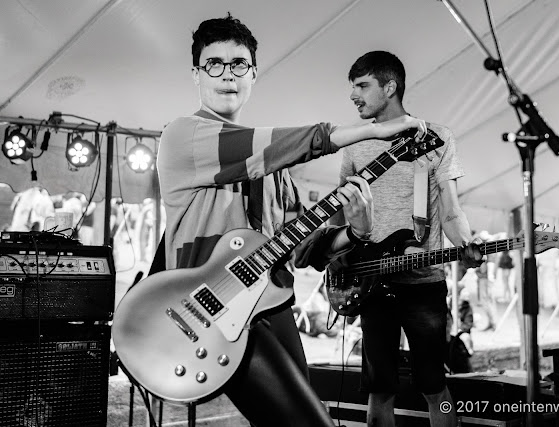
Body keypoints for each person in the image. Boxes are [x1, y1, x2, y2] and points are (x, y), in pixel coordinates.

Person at [155, 16, 428, 427]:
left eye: (238, 64)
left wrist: (354, 231)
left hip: (270, 303)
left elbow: (304, 248)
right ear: (196, 74)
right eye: (214, 64)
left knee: (307, 416)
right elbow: (287, 143)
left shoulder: (273, 168)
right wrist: (376, 131)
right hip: (211, 309)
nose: (227, 75)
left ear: (253, 74)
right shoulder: (184, 134)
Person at [335, 51, 483, 427]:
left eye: (363, 86)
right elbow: (343, 214)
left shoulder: (435, 138)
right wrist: (339, 260)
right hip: (370, 282)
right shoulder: (353, 144)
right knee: (379, 389)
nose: (354, 95)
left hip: (424, 283)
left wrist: (466, 242)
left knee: (435, 387)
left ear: (390, 87)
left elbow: (450, 209)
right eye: (352, 86)